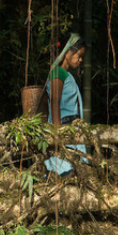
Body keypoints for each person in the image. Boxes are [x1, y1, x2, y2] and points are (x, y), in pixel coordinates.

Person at [44, 33, 87, 176]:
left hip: (71, 130)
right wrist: (57, 132)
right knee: (64, 171)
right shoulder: (58, 72)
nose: (80, 60)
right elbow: (55, 101)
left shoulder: (65, 74)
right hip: (64, 128)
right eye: (79, 55)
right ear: (68, 51)